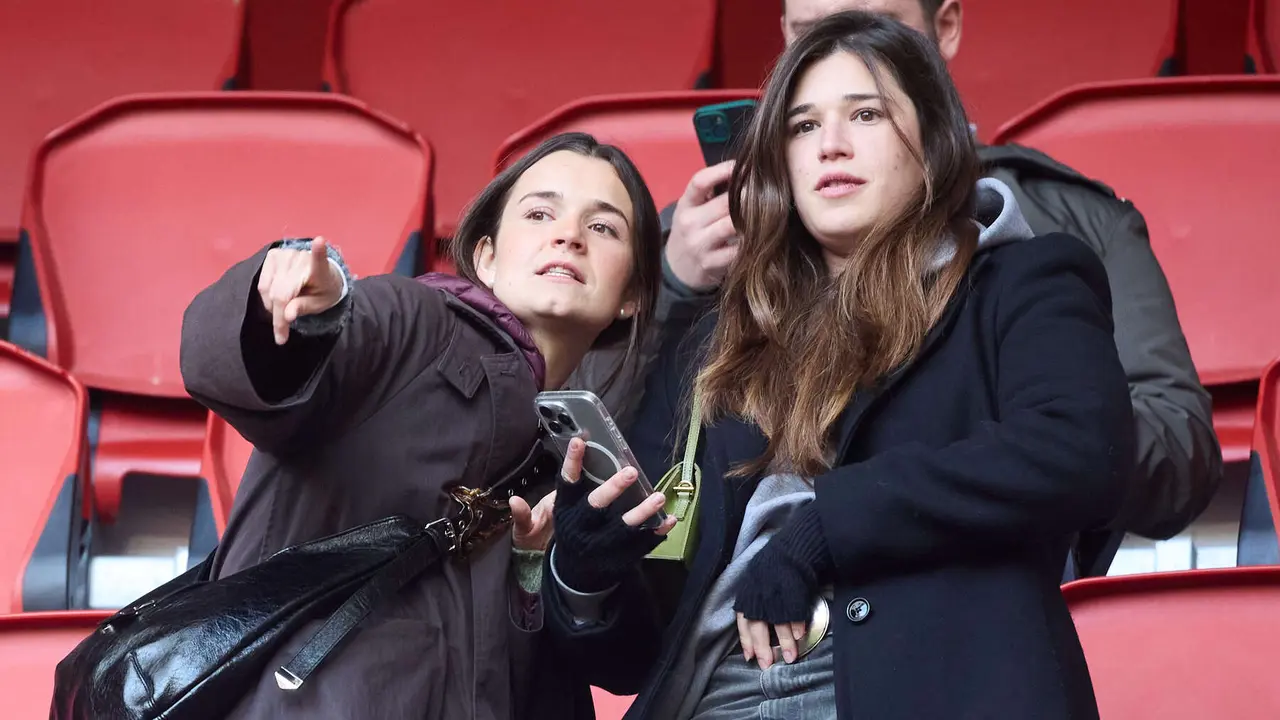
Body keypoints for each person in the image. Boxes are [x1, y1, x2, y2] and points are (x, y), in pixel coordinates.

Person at [546, 11, 1135, 719]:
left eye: (866, 114)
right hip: (711, 699)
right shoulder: (721, 337)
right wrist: (585, 574)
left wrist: (826, 525)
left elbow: (1081, 453)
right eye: (801, 126)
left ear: (933, 139)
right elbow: (631, 655)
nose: (830, 145)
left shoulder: (1021, 279)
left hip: (931, 689)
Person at [610, 0, 1219, 551]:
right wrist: (677, 287)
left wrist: (995, 399)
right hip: (755, 630)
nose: (844, 52)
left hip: (985, 588)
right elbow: (606, 457)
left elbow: (1178, 462)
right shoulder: (700, 232)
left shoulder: (1068, 224)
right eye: (812, 37)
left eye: (878, 26)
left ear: (944, 28)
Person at [179, 131, 661, 719]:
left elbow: (623, 665)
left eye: (604, 227)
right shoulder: (416, 322)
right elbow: (236, 365)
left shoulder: (581, 457)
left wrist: (557, 576)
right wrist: (304, 310)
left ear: (634, 293)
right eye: (539, 213)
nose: (568, 235)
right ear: (485, 258)